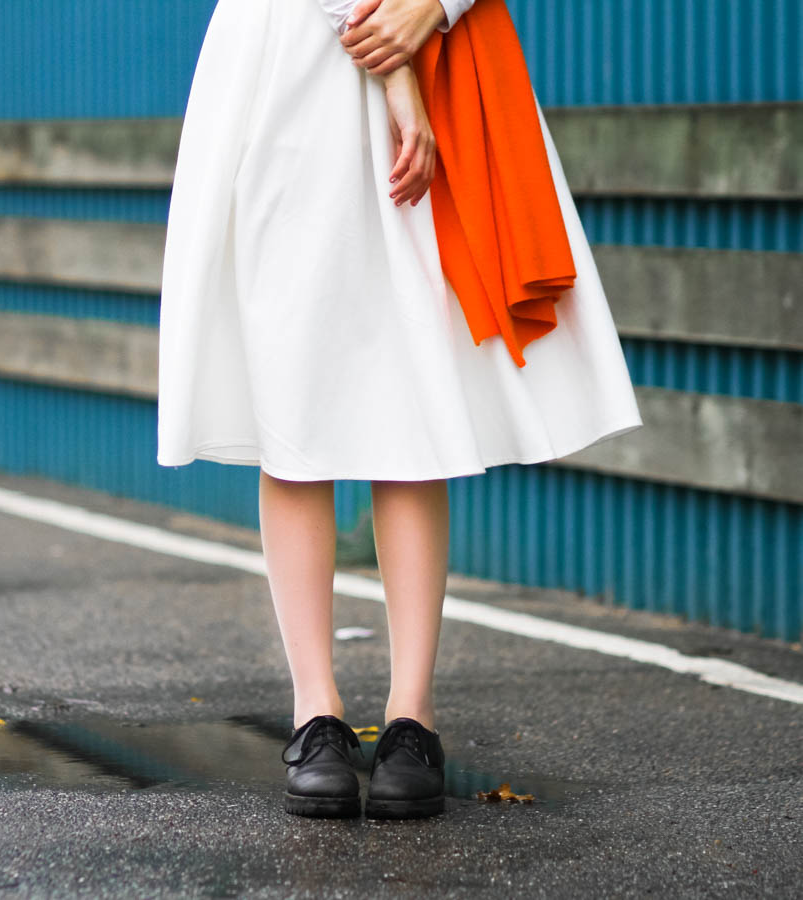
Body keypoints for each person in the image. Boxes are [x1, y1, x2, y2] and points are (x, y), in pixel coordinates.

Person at [155, 0, 645, 819]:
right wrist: (400, 67)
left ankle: (411, 717)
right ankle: (319, 713)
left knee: (413, 391)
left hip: (413, 51)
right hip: (295, 65)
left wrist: (435, 8)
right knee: (292, 387)